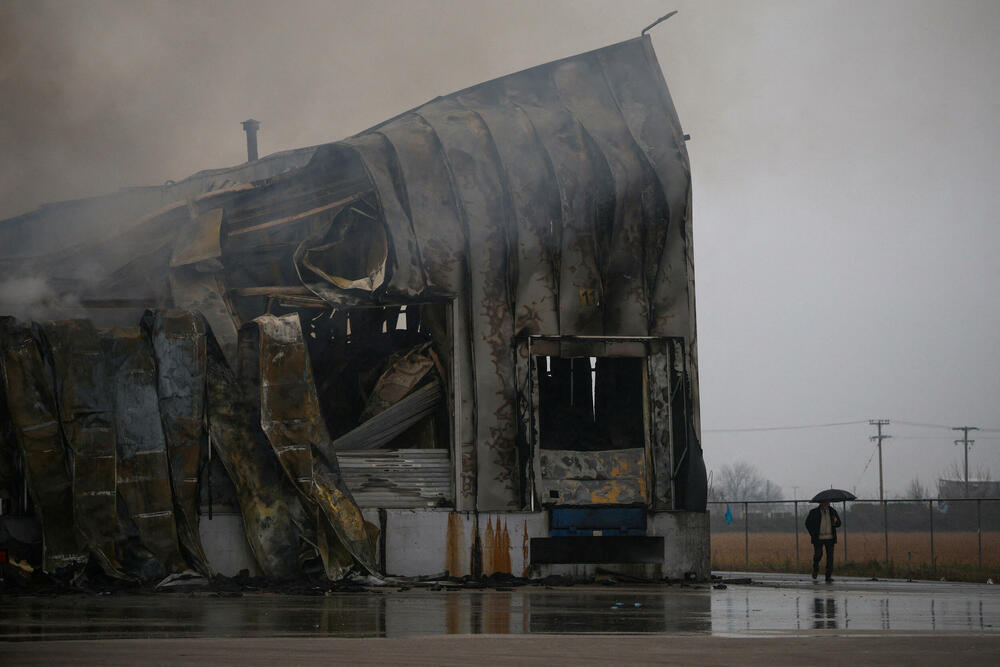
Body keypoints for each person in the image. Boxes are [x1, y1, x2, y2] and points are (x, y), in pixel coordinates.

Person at [805, 500, 841, 582]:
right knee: (818, 554)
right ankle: (815, 569)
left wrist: (836, 521)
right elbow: (807, 524)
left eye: (827, 502)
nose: (826, 504)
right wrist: (813, 534)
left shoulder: (833, 511)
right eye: (824, 502)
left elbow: (839, 524)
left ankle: (828, 576)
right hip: (818, 538)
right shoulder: (814, 512)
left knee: (830, 557)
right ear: (820, 503)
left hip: (830, 538)